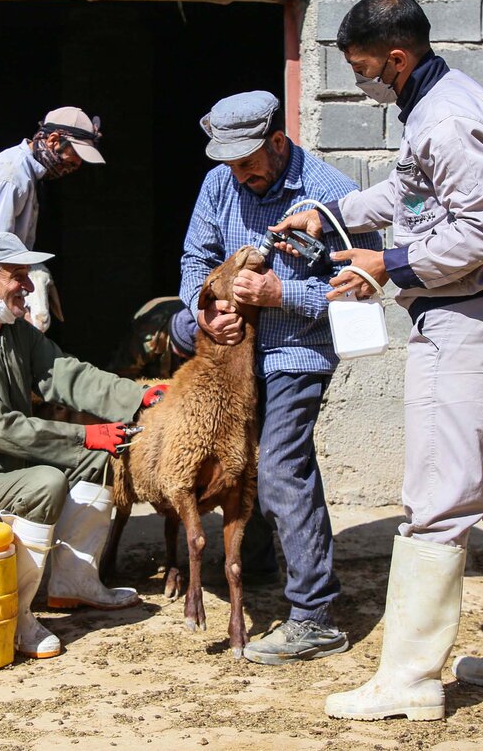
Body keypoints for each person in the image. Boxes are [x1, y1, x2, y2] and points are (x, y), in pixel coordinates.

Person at [270, 0, 483, 721]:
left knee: (436, 498)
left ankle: (411, 681)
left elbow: (482, 230)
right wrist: (331, 215)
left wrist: (387, 265)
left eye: (367, 70)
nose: (366, 82)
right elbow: (412, 190)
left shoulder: (447, 119)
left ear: (398, 55)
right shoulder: (440, 100)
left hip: (463, 327)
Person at [173, 90, 383, 666]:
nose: (239, 175)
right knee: (238, 460)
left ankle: (315, 616)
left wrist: (280, 293)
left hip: (298, 353)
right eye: (230, 164)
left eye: (248, 163)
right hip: (231, 354)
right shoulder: (220, 184)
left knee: (283, 466)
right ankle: (259, 561)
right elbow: (197, 254)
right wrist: (204, 306)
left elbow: (361, 292)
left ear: (278, 141)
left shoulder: (335, 195)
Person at [0, 231, 168, 659]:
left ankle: (76, 581)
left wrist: (136, 397)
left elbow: (68, 375)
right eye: (18, 276)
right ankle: (15, 614)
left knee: (98, 460)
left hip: (7, 472)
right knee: (47, 481)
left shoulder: (14, 334)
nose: (29, 288)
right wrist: (85, 434)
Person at [0, 107, 106, 317]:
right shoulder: (13, 176)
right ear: (53, 140)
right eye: (73, 158)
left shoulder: (28, 173)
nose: (75, 166)